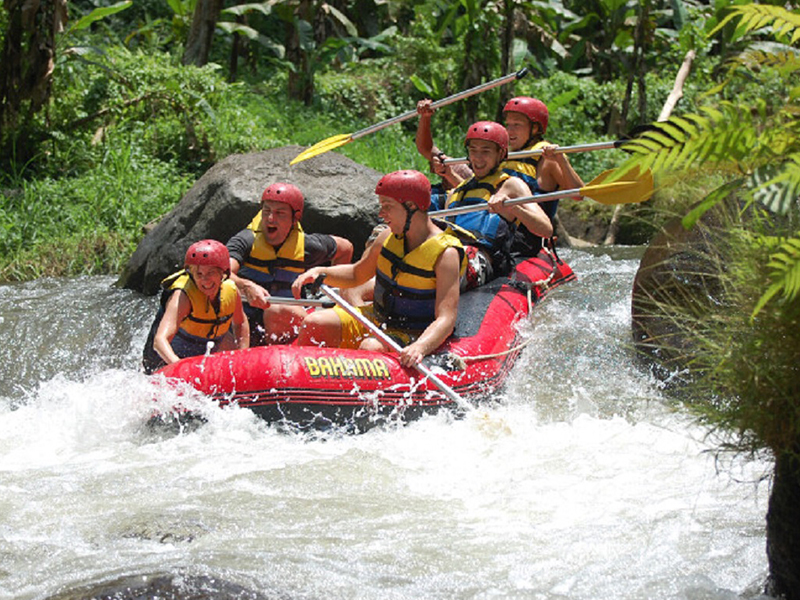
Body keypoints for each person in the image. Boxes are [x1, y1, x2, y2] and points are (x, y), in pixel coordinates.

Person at [290, 170, 464, 367]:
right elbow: (357, 274)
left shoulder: (446, 254)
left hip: (414, 332)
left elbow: (446, 319)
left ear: (411, 206)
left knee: (370, 348)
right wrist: (320, 272)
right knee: (315, 323)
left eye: (387, 207)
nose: (381, 214)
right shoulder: (386, 238)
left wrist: (420, 347)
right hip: (377, 317)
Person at [226, 183, 353, 345]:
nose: (271, 219)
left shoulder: (307, 245)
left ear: (295, 218)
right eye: (267, 211)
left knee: (277, 309)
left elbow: (345, 248)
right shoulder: (245, 240)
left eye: (280, 213)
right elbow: (222, 272)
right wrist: (245, 286)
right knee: (274, 309)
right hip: (246, 320)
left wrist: (333, 291)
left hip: (284, 318)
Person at [443, 120, 552, 283]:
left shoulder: (511, 185)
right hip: (450, 254)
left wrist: (514, 208)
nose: (478, 158)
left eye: (485, 151)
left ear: (501, 154)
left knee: (447, 258)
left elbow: (546, 230)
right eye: (473, 150)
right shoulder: (456, 192)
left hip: (482, 262)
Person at [142, 239, 249, 374]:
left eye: (210, 273)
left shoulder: (231, 291)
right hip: (165, 359)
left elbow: (240, 323)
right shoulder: (183, 297)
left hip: (205, 346)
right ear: (191, 274)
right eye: (199, 274)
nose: (204, 280)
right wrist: (182, 369)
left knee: (227, 340)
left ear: (223, 273)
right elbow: (159, 341)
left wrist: (242, 356)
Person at [501, 96, 584, 255]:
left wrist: (562, 161)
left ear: (535, 129)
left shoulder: (548, 158)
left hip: (527, 242)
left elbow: (578, 194)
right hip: (501, 235)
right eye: (508, 125)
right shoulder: (507, 158)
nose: (509, 131)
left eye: (517, 125)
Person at [415, 99, 473, 209]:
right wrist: (425, 117)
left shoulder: (503, 176)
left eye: (485, 150)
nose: (479, 155)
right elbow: (425, 148)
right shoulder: (460, 166)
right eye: (474, 148)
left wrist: (450, 175)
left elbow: (474, 197)